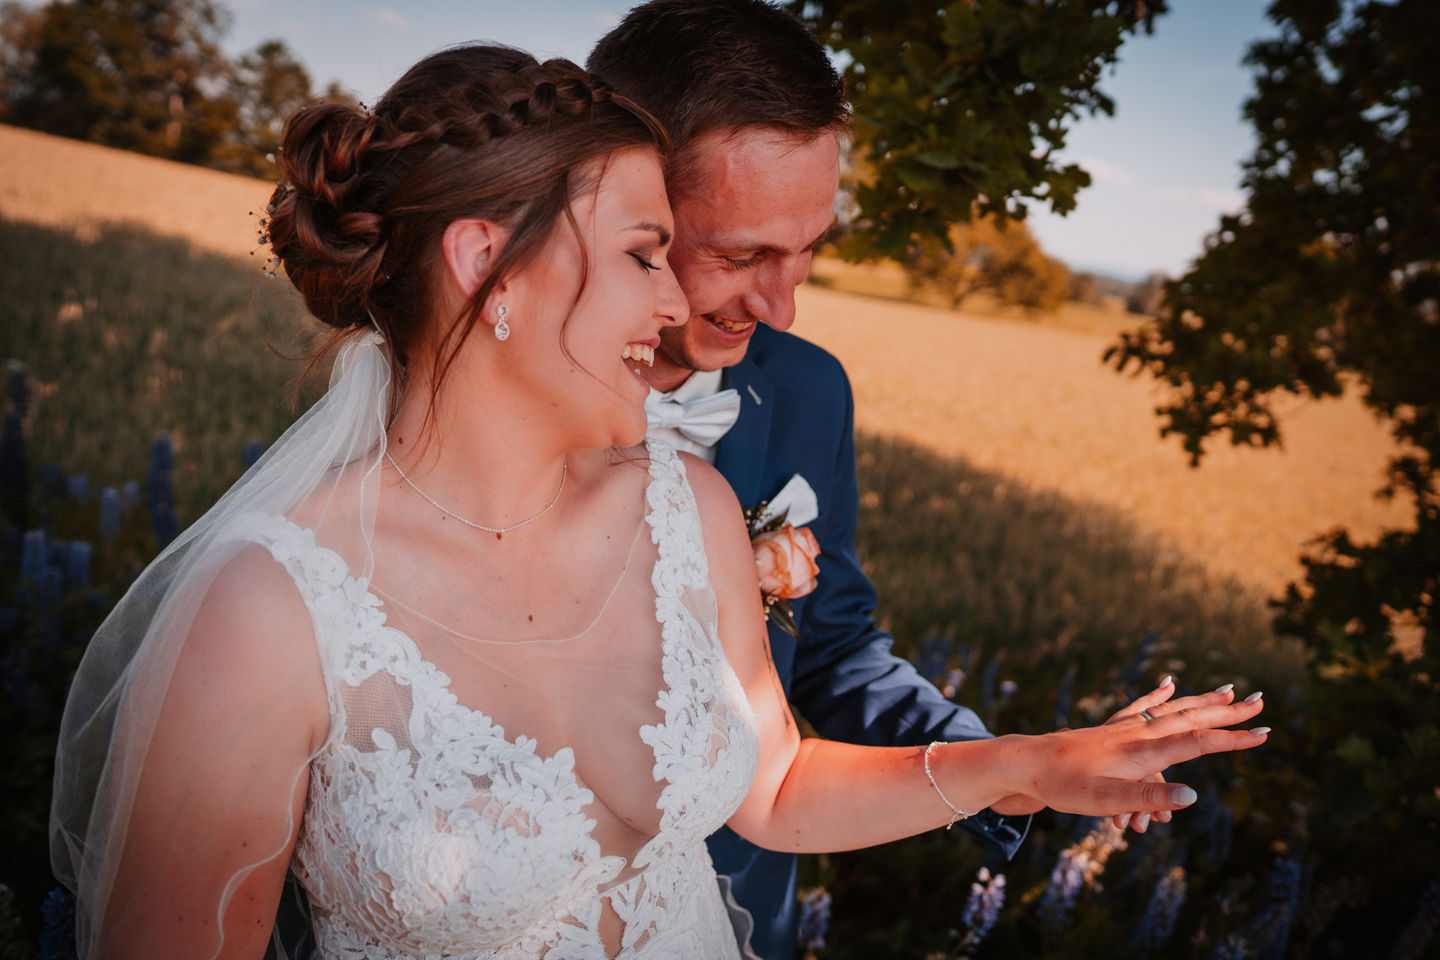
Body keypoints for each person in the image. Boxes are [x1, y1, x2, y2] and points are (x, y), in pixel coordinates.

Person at [50, 42, 1268, 960]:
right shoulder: (270, 614)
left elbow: (773, 787)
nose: (674, 305)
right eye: (646, 254)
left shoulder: (690, 507)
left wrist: (1028, 763)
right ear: (488, 265)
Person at [588, 3, 1173, 954]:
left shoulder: (808, 392)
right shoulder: (474, 400)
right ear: (621, 202)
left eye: (809, 248)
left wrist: (1013, 766)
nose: (781, 306)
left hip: (733, 908)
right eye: (741, 255)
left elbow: (831, 648)